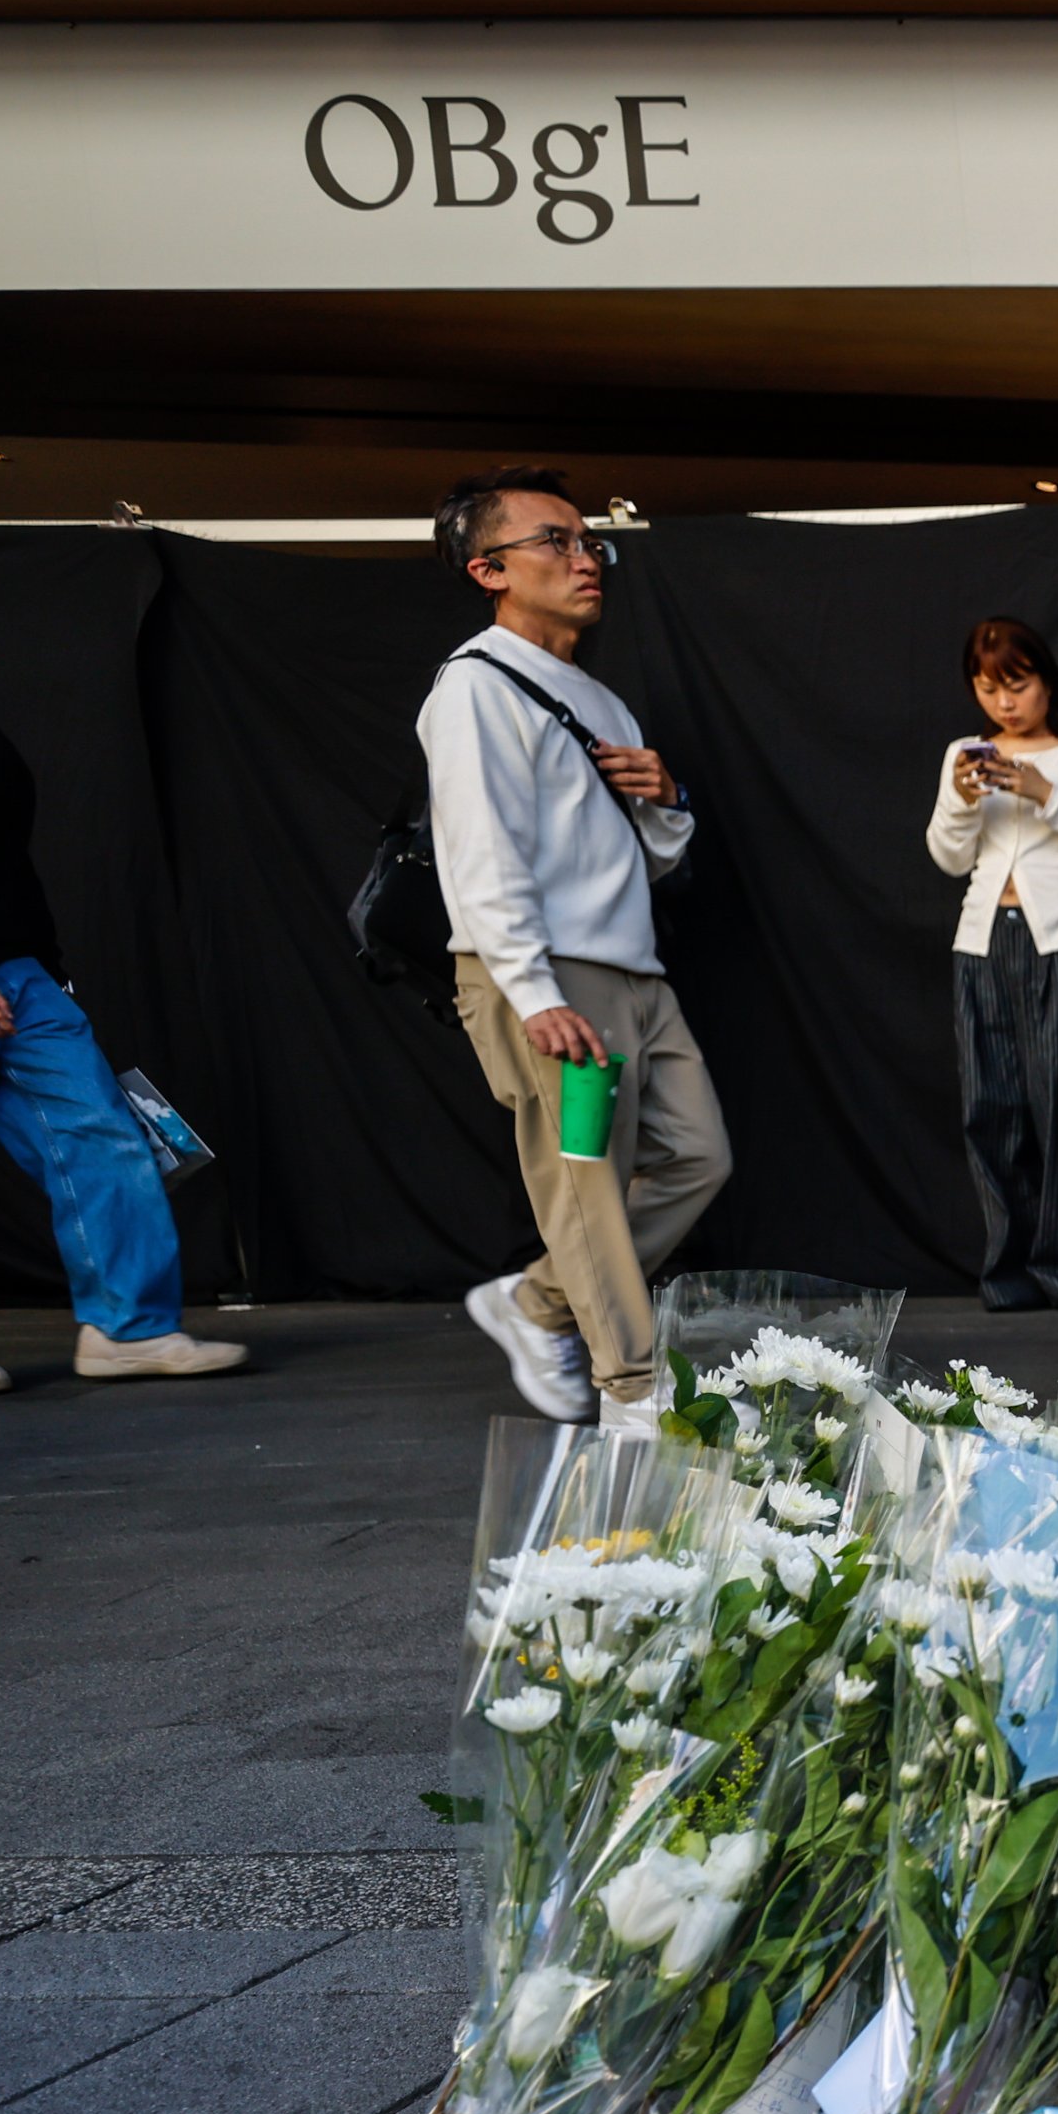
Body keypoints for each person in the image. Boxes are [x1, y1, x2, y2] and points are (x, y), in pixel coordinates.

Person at [423, 466, 730, 1428]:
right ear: (488, 569)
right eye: (552, 540)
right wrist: (530, 989)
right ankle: (634, 1395)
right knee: (586, 1182)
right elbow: (481, 852)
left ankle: (538, 1301)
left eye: (586, 539)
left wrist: (665, 800)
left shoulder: (600, 701)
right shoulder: (477, 686)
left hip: (632, 973)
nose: (584, 557)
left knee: (697, 1157)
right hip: (548, 975)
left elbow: (651, 858)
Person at [0, 706, 245, 1395]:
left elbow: (4, 860)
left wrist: (47, 965)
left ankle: (129, 1329)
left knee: (102, 1134)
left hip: (19, 970)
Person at [926, 616, 1058, 1310]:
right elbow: (948, 857)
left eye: (1016, 684)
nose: (1003, 703)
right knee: (993, 1107)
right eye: (987, 688)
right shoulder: (965, 750)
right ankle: (1009, 1273)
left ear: (1046, 680)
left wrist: (1044, 792)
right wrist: (963, 798)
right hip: (982, 940)